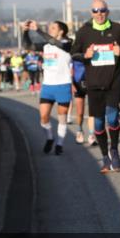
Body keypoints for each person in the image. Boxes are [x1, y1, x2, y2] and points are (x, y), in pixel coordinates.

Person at [72, 0, 120, 173]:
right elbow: (74, 54)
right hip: (94, 83)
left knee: (112, 117)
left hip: (115, 80)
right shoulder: (84, 31)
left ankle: (114, 150)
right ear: (91, 13)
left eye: (102, 10)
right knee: (98, 123)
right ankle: (105, 156)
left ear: (108, 12)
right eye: (95, 11)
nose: (99, 14)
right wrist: (86, 55)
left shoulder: (118, 29)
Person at [23, 20, 73, 155]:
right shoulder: (46, 45)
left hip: (63, 85)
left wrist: (38, 30)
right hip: (48, 87)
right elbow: (27, 45)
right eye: (49, 28)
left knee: (62, 117)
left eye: (53, 28)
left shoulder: (68, 44)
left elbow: (55, 42)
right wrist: (25, 31)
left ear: (61, 31)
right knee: (44, 117)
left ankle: (59, 144)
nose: (50, 29)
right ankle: (50, 138)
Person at [70, 58, 90, 144]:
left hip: (91, 82)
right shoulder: (74, 55)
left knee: (93, 111)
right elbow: (70, 69)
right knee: (80, 112)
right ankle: (79, 130)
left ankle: (92, 134)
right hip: (78, 84)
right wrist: (71, 84)